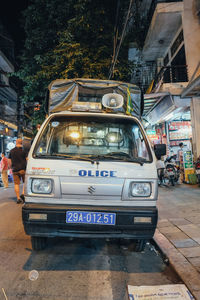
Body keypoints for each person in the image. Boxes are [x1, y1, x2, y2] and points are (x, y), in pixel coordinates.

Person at [8, 138, 28, 204]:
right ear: (21, 143)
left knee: (16, 184)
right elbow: (27, 159)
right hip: (23, 169)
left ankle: (18, 198)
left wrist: (11, 168)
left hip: (15, 170)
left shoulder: (11, 151)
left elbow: (9, 161)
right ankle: (22, 193)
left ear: (16, 143)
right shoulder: (24, 151)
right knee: (25, 183)